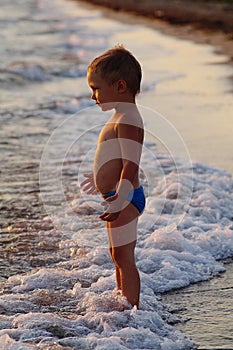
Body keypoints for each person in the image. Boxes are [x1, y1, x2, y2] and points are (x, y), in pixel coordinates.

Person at [81, 45, 145, 308]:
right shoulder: (121, 116)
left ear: (120, 86)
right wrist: (98, 176)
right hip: (118, 196)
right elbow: (115, 157)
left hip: (126, 198)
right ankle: (122, 301)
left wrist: (121, 196)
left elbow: (131, 164)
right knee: (116, 254)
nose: (93, 95)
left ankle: (133, 310)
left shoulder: (128, 119)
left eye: (96, 88)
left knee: (124, 258)